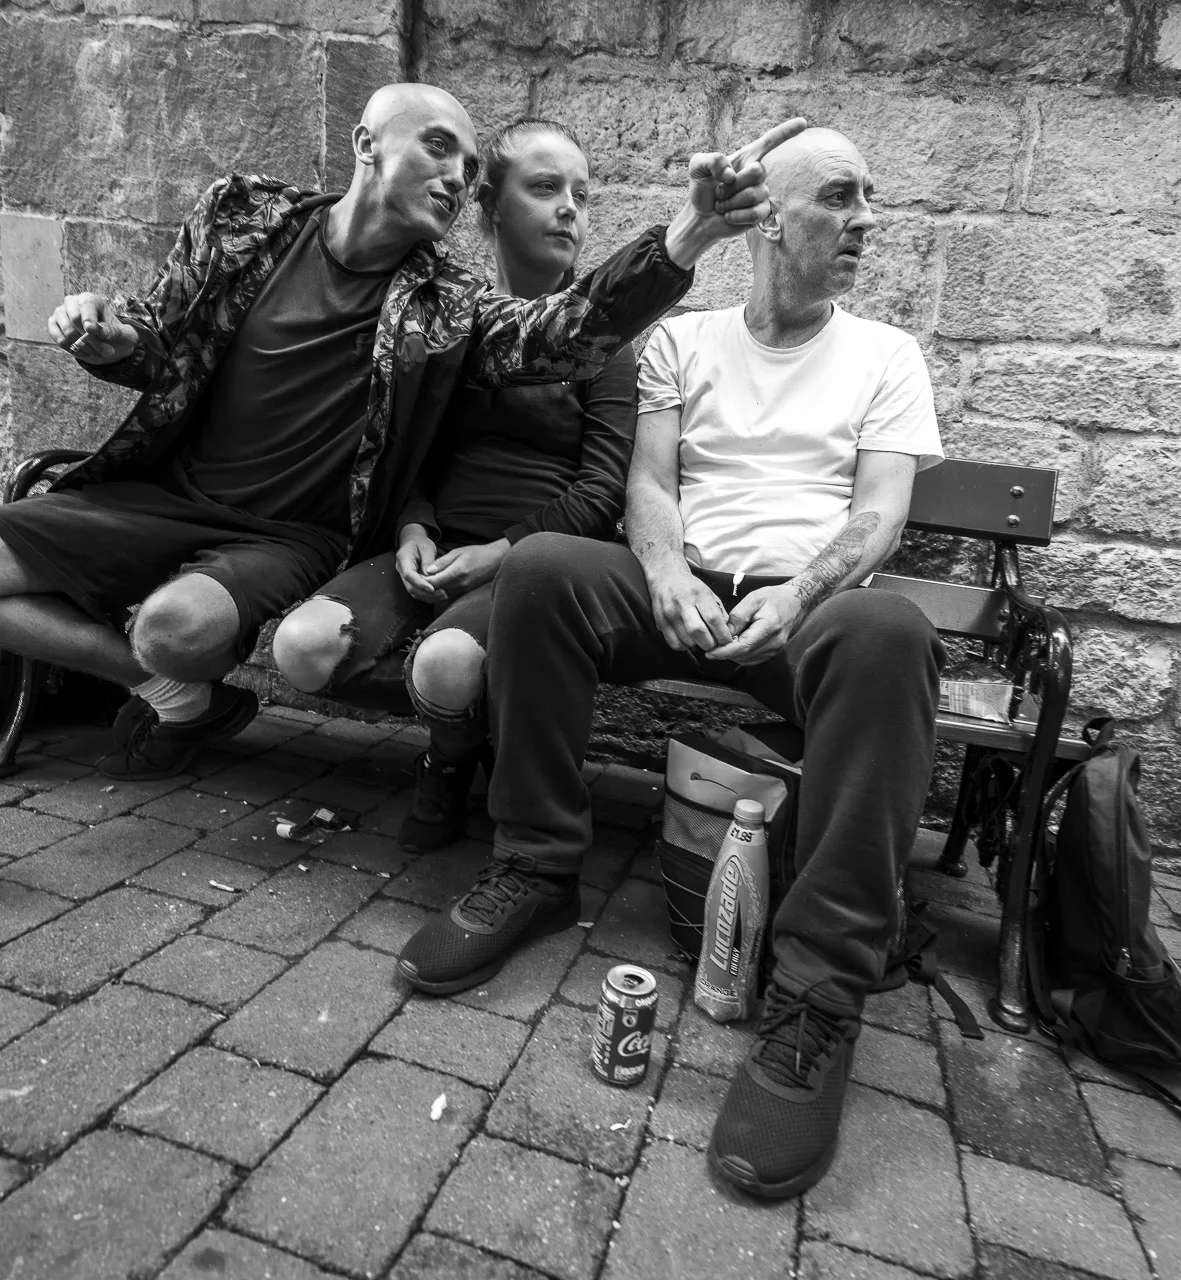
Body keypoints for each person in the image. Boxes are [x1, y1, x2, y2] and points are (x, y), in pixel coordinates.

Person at [395, 127, 947, 1201]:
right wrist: (661, 572)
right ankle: (536, 864)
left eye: (868, 197)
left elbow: (879, 515)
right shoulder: (679, 341)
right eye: (841, 197)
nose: (866, 220)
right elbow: (646, 485)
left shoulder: (885, 355)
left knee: (892, 635)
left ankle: (815, 997)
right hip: (685, 593)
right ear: (771, 219)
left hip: (812, 612)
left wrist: (798, 595)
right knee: (548, 567)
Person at [0, 84, 801, 780]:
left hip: (286, 533)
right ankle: (169, 690)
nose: (455, 177)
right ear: (366, 145)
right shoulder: (242, 218)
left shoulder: (444, 303)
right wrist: (114, 339)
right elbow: (169, 333)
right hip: (164, 491)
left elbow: (565, 335)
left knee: (176, 629)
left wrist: (685, 237)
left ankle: (183, 676)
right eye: (438, 148)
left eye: (468, 169)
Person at [271, 118, 636, 853]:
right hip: (433, 548)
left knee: (447, 663)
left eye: (582, 194)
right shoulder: (448, 325)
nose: (571, 208)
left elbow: (602, 494)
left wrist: (499, 554)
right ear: (491, 208)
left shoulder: (607, 348)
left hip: (533, 566)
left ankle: (447, 755)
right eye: (545, 188)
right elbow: (414, 453)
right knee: (302, 647)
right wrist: (412, 527)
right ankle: (471, 723)